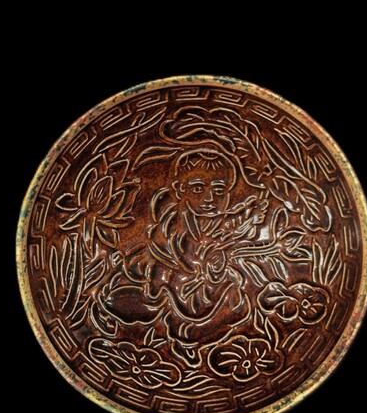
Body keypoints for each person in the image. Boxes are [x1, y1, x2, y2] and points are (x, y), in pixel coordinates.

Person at [102, 147, 267, 368]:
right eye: (198, 188)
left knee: (236, 302)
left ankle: (187, 335)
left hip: (198, 292)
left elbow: (231, 224)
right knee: (138, 301)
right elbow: (173, 262)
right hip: (169, 286)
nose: (210, 198)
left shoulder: (213, 220)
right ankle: (179, 334)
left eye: (219, 190)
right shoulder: (171, 226)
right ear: (180, 190)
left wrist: (250, 215)